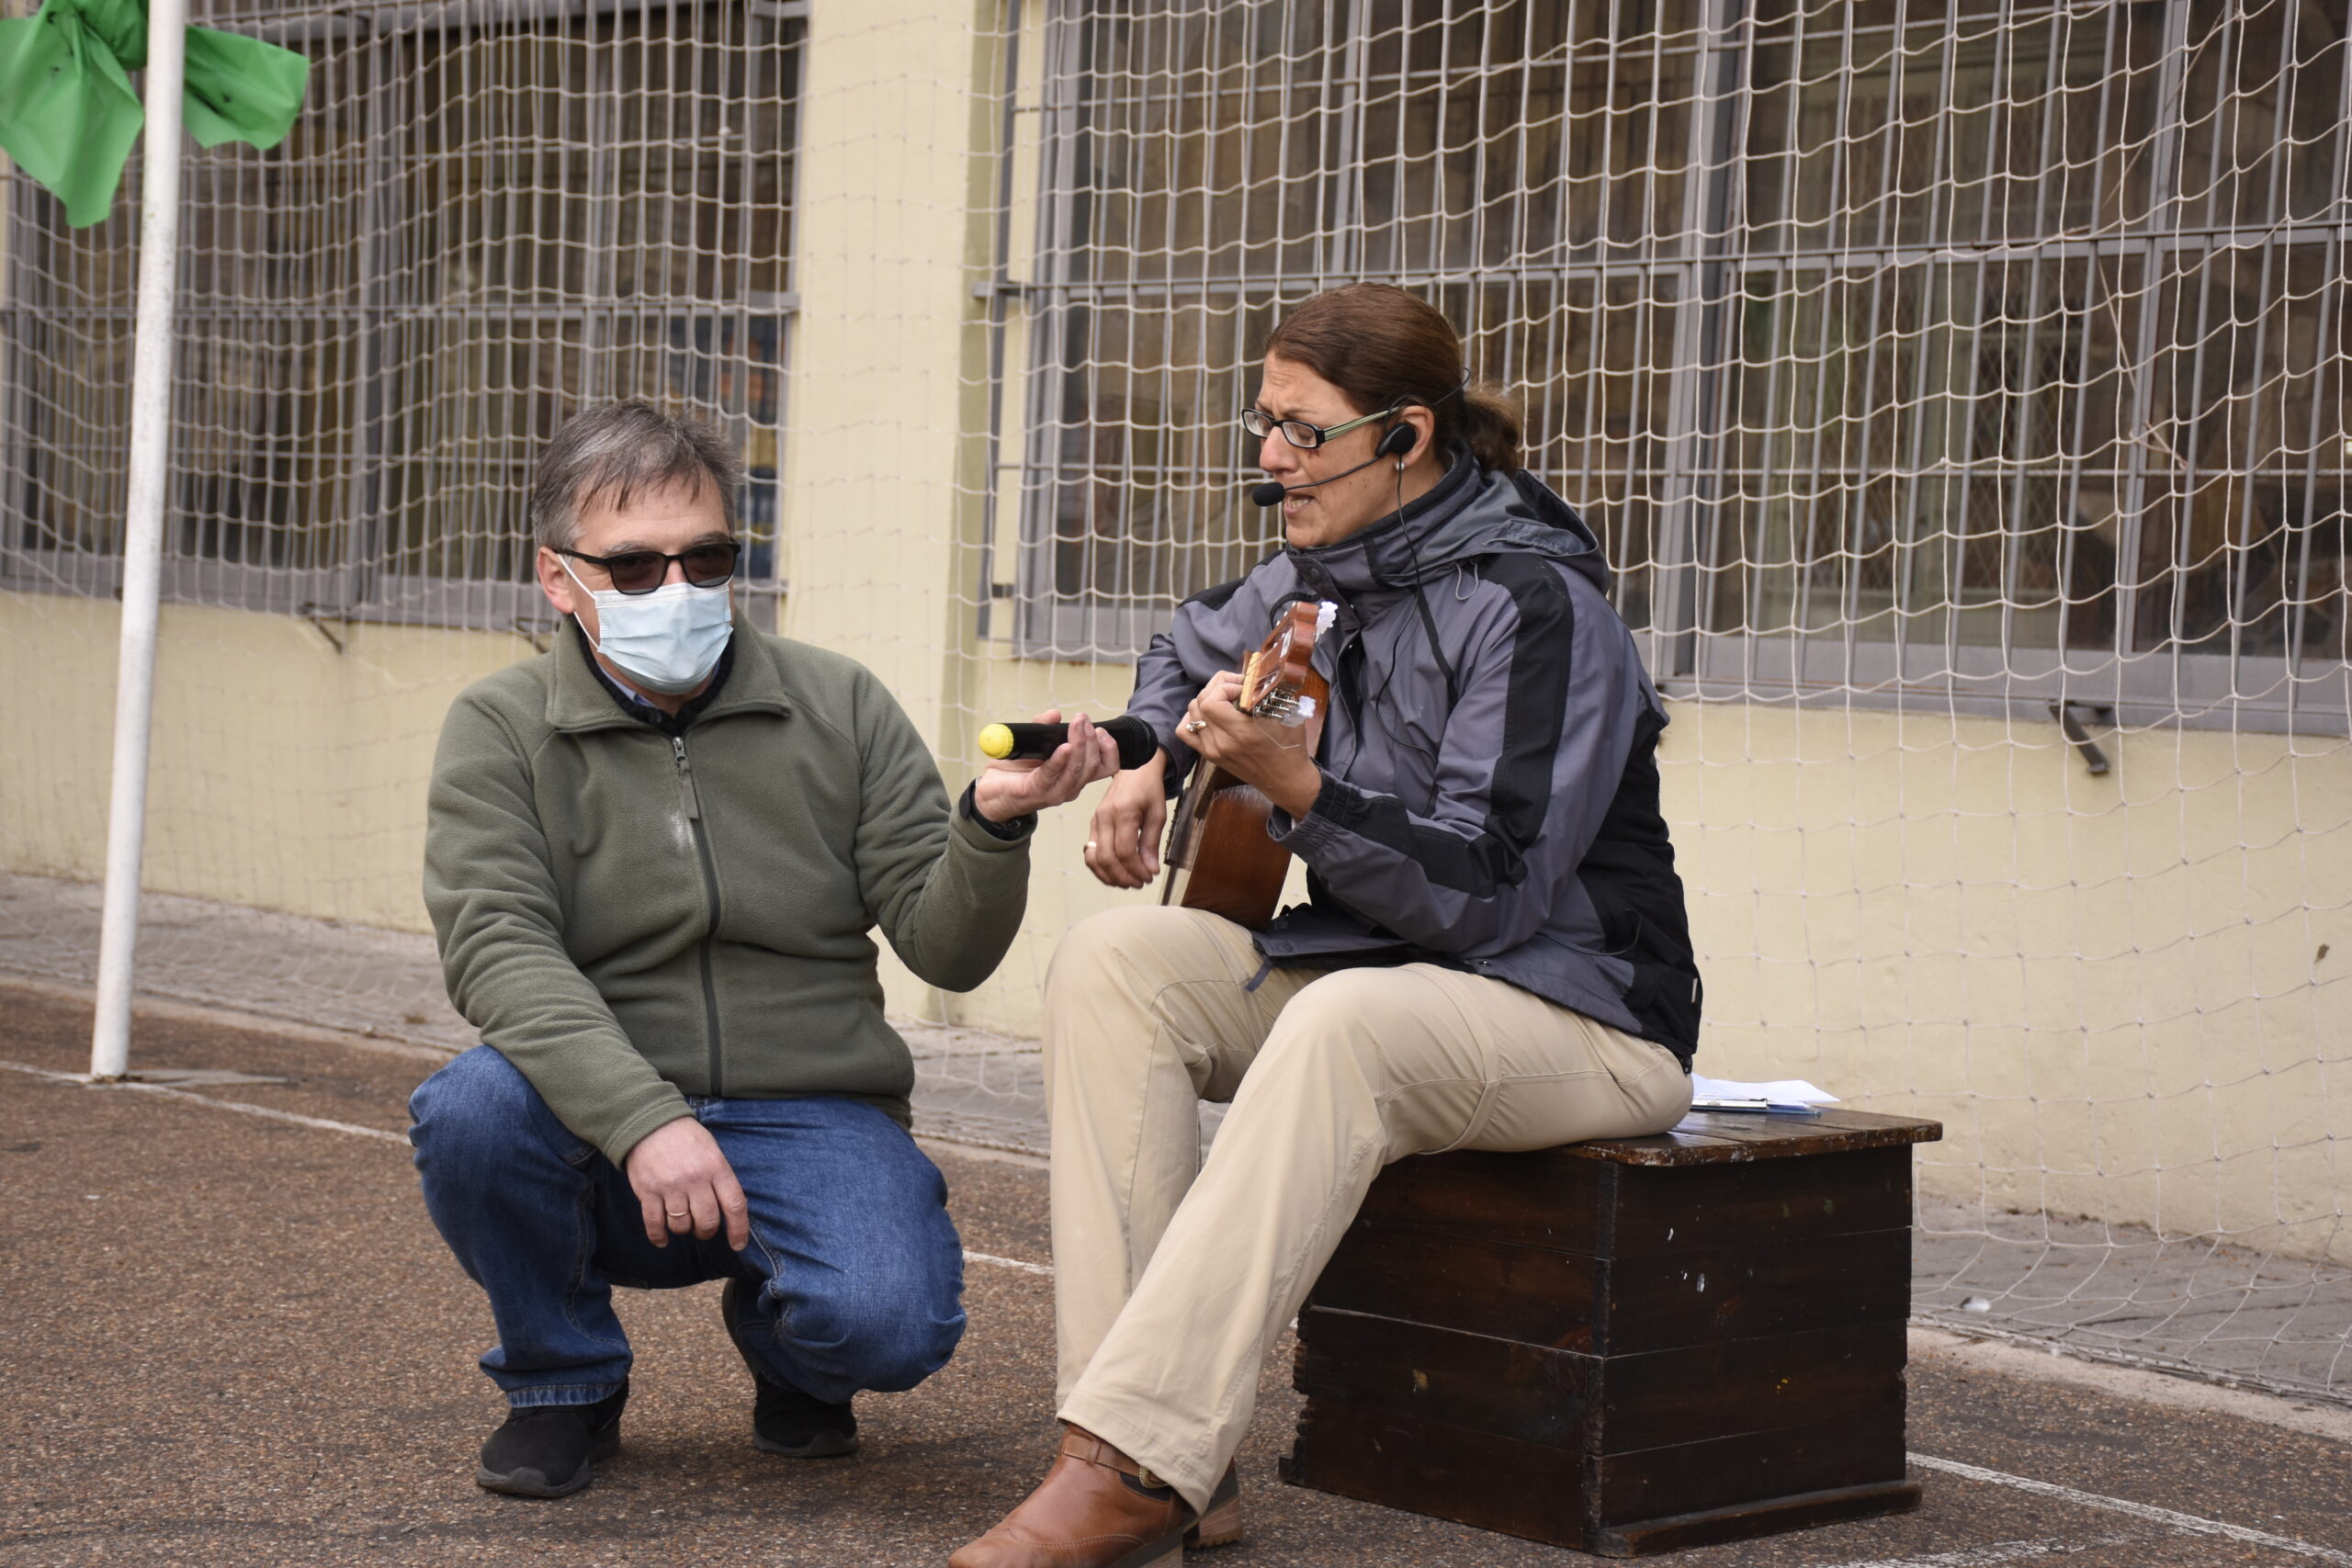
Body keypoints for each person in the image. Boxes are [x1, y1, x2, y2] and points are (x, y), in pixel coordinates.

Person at [951, 285, 1703, 1568]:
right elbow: (1184, 646)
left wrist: (1299, 789)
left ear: (1405, 436)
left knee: (1348, 1021)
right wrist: (1145, 751)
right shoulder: (1318, 573)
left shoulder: (1537, 606)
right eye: (1263, 423)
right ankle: (1159, 1463)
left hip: (1583, 1013)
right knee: (1113, 964)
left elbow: (1488, 894)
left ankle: (1137, 1463)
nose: (1270, 457)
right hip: (1387, 978)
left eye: (1303, 431)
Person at [408, 400, 1117, 1500]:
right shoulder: (500, 725)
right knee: (472, 1110)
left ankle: (789, 1347)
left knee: (894, 1329)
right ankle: (562, 1381)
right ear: (558, 578)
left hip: (813, 1102)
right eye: (632, 567)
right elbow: (498, 948)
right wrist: (644, 1121)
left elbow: (947, 952)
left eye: (707, 558)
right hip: (603, 1118)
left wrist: (991, 825)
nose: (676, 589)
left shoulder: (839, 703)